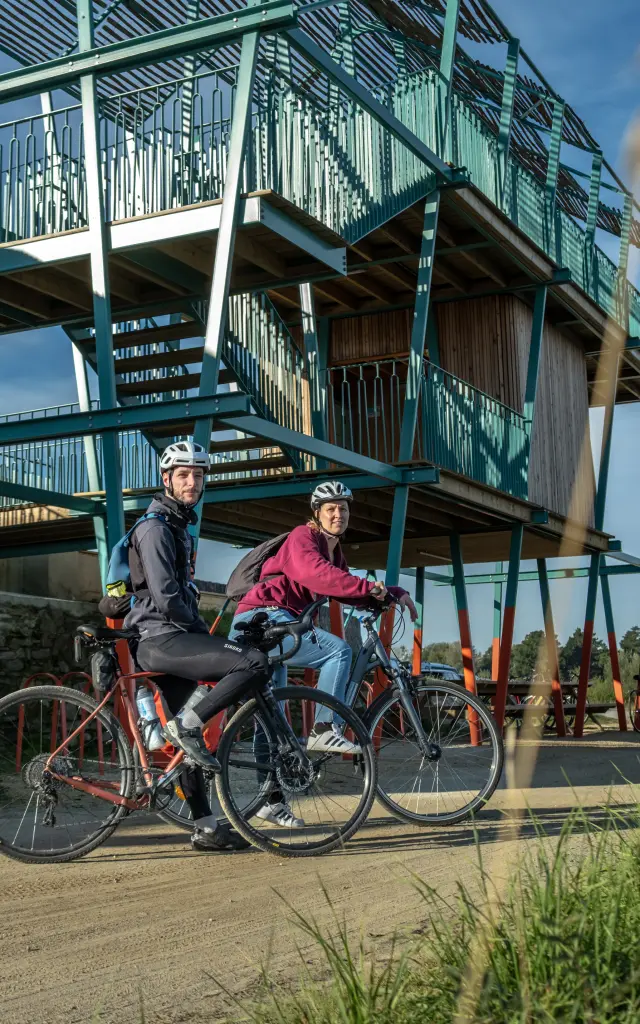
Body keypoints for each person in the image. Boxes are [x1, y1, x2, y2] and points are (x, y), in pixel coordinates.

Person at [230, 480, 417, 828]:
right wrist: (367, 588)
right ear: (317, 514)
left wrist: (391, 592)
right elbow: (317, 577)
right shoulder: (303, 537)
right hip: (264, 618)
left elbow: (342, 586)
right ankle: (323, 726)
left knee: (273, 718)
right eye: (330, 509)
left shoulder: (335, 554)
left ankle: (269, 800)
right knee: (337, 650)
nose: (338, 514)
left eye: (343, 508)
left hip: (277, 624)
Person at [124, 439, 271, 852]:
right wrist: (206, 635)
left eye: (199, 475)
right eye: (184, 475)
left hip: (169, 638)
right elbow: (168, 596)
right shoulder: (155, 528)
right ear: (167, 479)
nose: (192, 482)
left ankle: (206, 827)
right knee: (254, 663)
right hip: (160, 639)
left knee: (193, 734)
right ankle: (186, 726)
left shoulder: (177, 526)